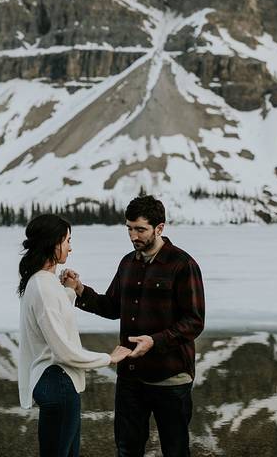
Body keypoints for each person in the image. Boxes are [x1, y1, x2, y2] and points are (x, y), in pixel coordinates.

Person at [61, 195, 205, 457]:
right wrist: (80, 290)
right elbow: (112, 307)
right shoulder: (128, 263)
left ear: (159, 228)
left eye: (140, 229)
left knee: (175, 451)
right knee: (127, 450)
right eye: (129, 228)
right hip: (131, 377)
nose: (133, 235)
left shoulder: (182, 265)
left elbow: (194, 321)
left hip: (171, 378)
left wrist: (155, 341)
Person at [18, 213, 132, 457]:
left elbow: (55, 316)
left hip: (58, 383)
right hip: (57, 381)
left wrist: (70, 291)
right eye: (68, 240)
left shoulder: (45, 283)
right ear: (53, 243)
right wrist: (108, 359)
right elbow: (64, 351)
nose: (71, 247)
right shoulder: (42, 286)